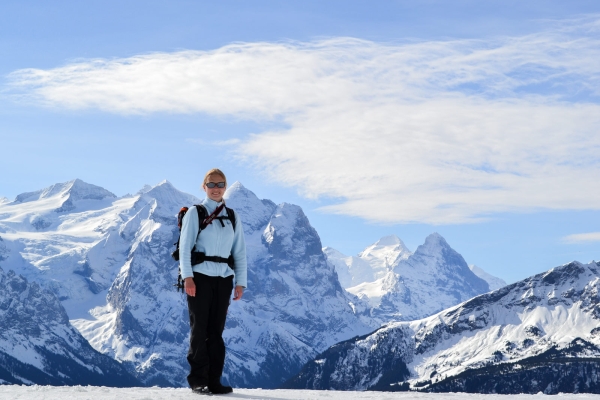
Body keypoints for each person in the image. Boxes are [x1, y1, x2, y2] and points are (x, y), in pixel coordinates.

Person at [179, 168, 247, 395]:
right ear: (204, 187)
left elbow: (240, 253)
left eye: (220, 184)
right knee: (199, 329)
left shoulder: (232, 216)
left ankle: (215, 381)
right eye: (211, 184)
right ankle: (198, 380)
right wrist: (187, 277)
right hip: (199, 277)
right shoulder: (195, 213)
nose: (216, 189)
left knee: (216, 331)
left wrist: (241, 282)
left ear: (225, 187)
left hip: (224, 279)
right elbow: (185, 249)